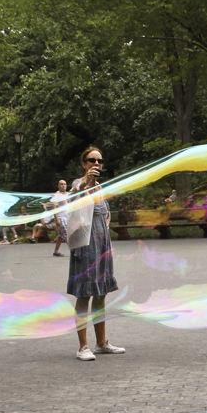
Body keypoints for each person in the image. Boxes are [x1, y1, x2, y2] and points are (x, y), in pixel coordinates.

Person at [68, 146, 124, 360]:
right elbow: (76, 198)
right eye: (91, 160)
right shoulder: (78, 185)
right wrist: (87, 183)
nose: (96, 164)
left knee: (101, 292)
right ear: (84, 163)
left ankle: (101, 343)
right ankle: (83, 347)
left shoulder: (100, 187)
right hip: (85, 245)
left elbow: (105, 214)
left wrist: (106, 233)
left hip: (101, 244)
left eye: (99, 161)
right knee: (85, 294)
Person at [51, 179, 70, 256]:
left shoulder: (67, 194)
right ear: (58, 186)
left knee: (61, 235)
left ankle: (56, 251)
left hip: (67, 216)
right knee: (65, 233)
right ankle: (73, 249)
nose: (63, 185)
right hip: (61, 217)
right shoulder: (56, 195)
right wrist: (57, 219)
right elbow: (54, 208)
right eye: (61, 184)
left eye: (64, 184)